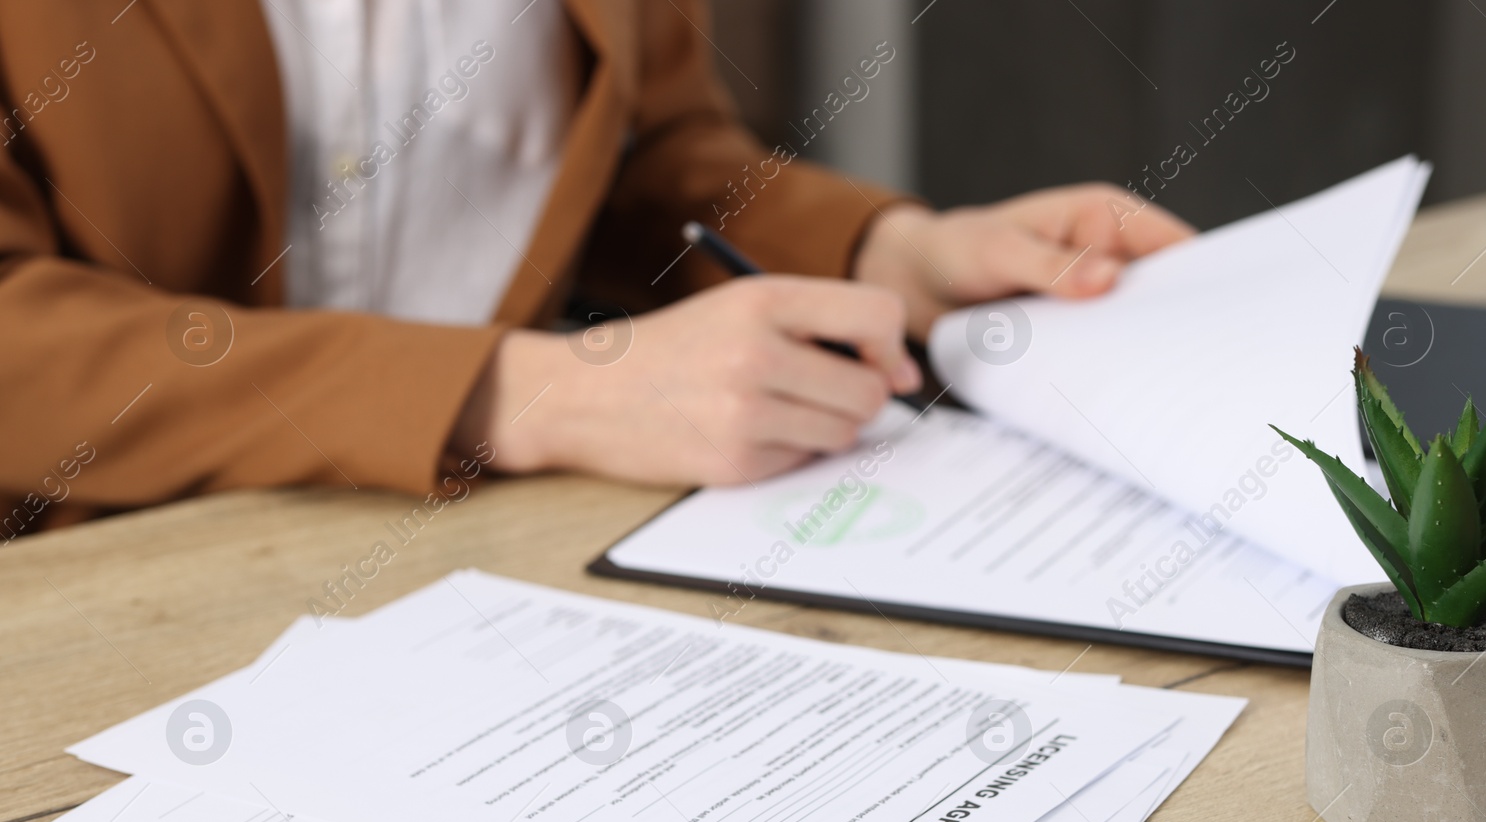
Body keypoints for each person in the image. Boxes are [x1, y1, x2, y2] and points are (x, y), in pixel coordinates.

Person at [0, 1, 1191, 537]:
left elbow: (640, 157)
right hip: (92, 585)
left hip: (472, 552)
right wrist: (537, 392)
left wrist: (897, 254)